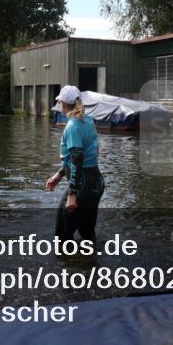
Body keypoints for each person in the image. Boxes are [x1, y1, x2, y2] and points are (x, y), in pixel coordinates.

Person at [44, 85, 105, 242]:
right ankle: (93, 257)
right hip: (96, 184)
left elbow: (77, 158)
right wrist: (59, 175)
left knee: (62, 238)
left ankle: (70, 259)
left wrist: (72, 194)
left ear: (63, 104)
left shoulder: (72, 126)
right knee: (87, 234)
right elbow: (85, 155)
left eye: (59, 102)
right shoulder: (88, 120)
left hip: (81, 188)